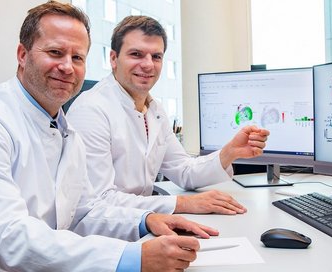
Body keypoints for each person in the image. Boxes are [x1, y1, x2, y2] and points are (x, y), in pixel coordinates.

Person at [0, 2, 218, 271]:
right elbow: (4, 237)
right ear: (22, 55)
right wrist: (129, 257)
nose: (67, 67)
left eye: (78, 58)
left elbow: (82, 214)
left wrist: (145, 220)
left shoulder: (65, 131)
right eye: (55, 52)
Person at [66, 15, 270, 214]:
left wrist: (230, 152)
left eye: (156, 56)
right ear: (113, 58)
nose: (148, 65)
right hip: (106, 233)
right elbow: (100, 200)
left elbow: (184, 171)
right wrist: (182, 204)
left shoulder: (154, 110)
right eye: (136, 54)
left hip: (142, 221)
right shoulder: (91, 109)